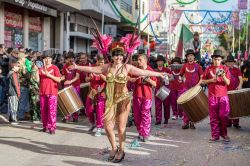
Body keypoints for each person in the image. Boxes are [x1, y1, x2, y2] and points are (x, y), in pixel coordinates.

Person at [69, 42, 166, 163]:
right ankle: (114, 147)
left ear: (123, 56)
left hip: (123, 100)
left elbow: (144, 72)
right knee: (108, 127)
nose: (118, 57)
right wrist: (77, 67)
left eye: (120, 55)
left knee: (120, 128)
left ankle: (122, 149)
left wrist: (159, 74)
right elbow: (92, 69)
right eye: (116, 55)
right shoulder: (107, 67)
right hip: (110, 101)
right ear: (111, 56)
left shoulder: (127, 67)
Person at [202, 50, 231, 143]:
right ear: (212, 59)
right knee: (213, 117)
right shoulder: (208, 69)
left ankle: (224, 134)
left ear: (221, 60)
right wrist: (211, 80)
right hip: (212, 96)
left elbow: (228, 83)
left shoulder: (225, 69)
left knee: (223, 116)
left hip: (223, 96)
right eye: (215, 59)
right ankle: (215, 136)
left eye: (218, 59)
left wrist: (223, 76)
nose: (216, 61)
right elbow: (202, 81)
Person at [132, 54, 157, 142]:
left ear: (145, 60)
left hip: (147, 96)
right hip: (136, 95)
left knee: (145, 115)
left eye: (140, 60)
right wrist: (131, 80)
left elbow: (155, 84)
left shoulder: (150, 70)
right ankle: (140, 132)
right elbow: (128, 77)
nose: (138, 62)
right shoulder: (135, 70)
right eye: (137, 60)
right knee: (137, 116)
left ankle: (145, 134)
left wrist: (148, 79)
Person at [179, 49, 203, 129]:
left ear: (194, 57)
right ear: (187, 57)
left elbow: (202, 77)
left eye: (191, 56)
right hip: (185, 88)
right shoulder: (184, 66)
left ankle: (192, 122)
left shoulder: (198, 66)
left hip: (195, 89)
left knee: (194, 106)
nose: (190, 57)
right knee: (186, 107)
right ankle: (185, 122)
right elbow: (180, 74)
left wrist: (197, 86)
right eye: (188, 56)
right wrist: (180, 78)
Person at [39, 52, 61, 134]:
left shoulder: (55, 68)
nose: (47, 60)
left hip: (52, 92)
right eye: (45, 58)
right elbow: (37, 79)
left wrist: (49, 75)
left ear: (51, 59)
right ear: (43, 59)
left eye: (49, 58)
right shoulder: (41, 69)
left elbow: (59, 79)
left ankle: (52, 127)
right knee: (43, 110)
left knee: (52, 111)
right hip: (42, 92)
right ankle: (45, 126)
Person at [85, 56, 106, 137]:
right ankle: (92, 124)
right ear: (97, 62)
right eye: (100, 62)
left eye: (103, 62)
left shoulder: (106, 69)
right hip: (92, 92)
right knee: (88, 109)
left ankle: (99, 127)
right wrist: (88, 78)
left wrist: (100, 74)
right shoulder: (92, 68)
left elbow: (107, 79)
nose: (102, 64)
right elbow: (86, 79)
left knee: (99, 111)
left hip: (102, 93)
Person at [61, 52, 81, 123]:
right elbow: (63, 76)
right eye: (69, 58)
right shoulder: (64, 66)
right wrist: (59, 79)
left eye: (72, 58)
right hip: (67, 85)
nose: (71, 59)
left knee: (75, 101)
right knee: (67, 101)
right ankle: (67, 116)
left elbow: (77, 76)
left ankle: (75, 117)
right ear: (67, 59)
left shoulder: (77, 66)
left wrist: (70, 81)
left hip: (75, 86)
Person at [225, 55, 243, 129]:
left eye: (231, 62)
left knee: (236, 107)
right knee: (227, 108)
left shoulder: (237, 70)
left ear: (233, 63)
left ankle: (236, 123)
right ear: (226, 63)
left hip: (235, 91)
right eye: (228, 62)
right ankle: (228, 122)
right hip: (226, 92)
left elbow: (241, 79)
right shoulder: (224, 70)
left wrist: (240, 85)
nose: (230, 63)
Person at [154, 55, 172, 125]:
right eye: (158, 61)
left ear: (163, 62)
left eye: (160, 61)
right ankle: (158, 120)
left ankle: (166, 119)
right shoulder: (154, 70)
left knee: (166, 105)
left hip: (166, 89)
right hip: (157, 89)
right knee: (157, 105)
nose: (159, 62)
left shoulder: (167, 70)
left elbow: (173, 77)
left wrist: (167, 79)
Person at [7, 59, 21, 125]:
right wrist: (18, 93)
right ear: (14, 66)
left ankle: (11, 118)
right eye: (17, 66)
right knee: (14, 106)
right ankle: (13, 120)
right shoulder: (14, 74)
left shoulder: (9, 73)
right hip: (14, 92)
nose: (18, 67)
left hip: (10, 92)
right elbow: (15, 84)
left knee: (11, 106)